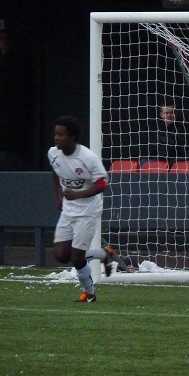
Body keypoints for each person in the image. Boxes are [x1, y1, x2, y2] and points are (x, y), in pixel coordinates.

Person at [48, 116, 115, 302]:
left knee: (77, 257)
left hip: (88, 211)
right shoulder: (53, 153)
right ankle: (104, 254)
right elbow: (55, 171)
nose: (56, 138)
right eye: (55, 134)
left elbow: (102, 185)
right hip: (68, 210)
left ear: (73, 138)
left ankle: (89, 292)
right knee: (61, 256)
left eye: (61, 134)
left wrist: (77, 195)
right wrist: (57, 196)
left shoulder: (88, 158)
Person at [0, 29, 34, 171]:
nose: (3, 43)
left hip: (11, 112)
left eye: (5, 39)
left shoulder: (18, 61)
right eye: (0, 39)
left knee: (4, 150)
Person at [148, 100, 189, 165]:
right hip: (158, 161)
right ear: (161, 115)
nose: (169, 115)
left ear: (176, 113)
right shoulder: (157, 129)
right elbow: (152, 150)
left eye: (171, 113)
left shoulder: (183, 130)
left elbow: (184, 152)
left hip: (175, 162)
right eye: (166, 113)